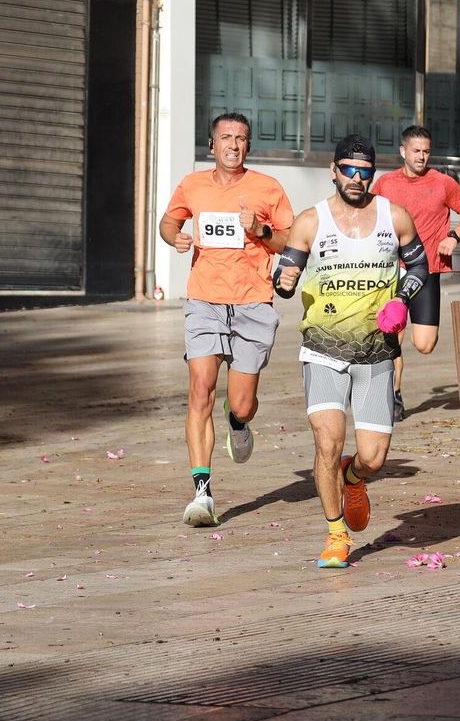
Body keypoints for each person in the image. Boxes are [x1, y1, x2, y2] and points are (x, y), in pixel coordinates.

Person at [272, 135, 431, 569]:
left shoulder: (393, 217)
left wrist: (402, 298)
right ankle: (336, 534)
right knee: (327, 441)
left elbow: (419, 266)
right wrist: (283, 281)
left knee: (374, 457)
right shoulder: (310, 221)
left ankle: (353, 476)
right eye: (349, 170)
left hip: (377, 352)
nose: (357, 179)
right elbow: (285, 273)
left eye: (365, 172)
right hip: (322, 350)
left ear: (372, 174)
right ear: (334, 171)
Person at [159, 112, 294, 527]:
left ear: (248, 147)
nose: (233, 144)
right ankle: (202, 493)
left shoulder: (267, 189)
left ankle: (238, 422)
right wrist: (175, 236)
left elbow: (290, 240)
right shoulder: (192, 185)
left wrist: (260, 230)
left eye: (241, 138)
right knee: (200, 388)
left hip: (253, 304)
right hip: (204, 300)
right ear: (212, 145)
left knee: (242, 402)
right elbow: (169, 222)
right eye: (226, 138)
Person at [372, 125, 460, 423]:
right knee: (393, 331)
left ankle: (390, 386)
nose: (421, 157)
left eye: (426, 151)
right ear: (403, 151)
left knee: (424, 344)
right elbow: (370, 215)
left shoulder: (443, 183)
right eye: (416, 151)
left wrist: (454, 237)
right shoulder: (385, 184)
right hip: (393, 269)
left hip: (427, 269)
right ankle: (392, 393)